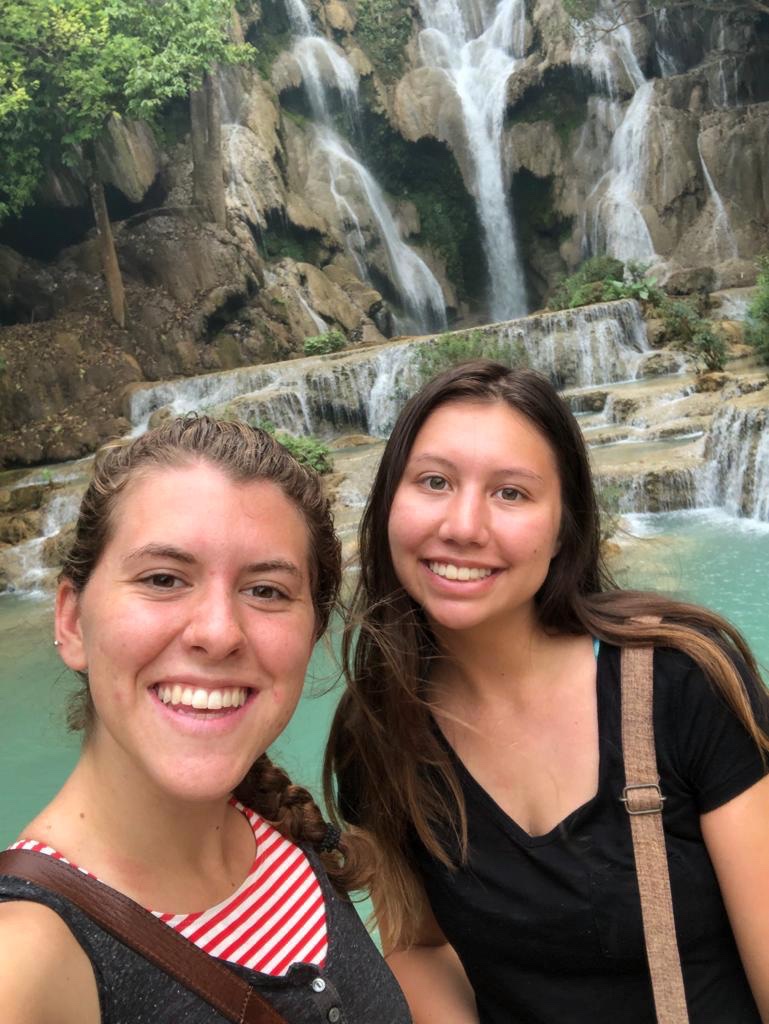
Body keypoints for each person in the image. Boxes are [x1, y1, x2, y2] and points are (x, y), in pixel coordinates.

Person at [325, 360, 769, 1024]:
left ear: (564, 526)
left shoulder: (681, 679)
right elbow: (419, 945)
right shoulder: (381, 730)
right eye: (434, 482)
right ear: (389, 500)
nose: (462, 525)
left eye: (510, 493)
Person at [0, 416, 411, 1024]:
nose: (218, 633)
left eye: (267, 590)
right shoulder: (27, 957)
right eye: (163, 579)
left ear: (313, 632)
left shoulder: (287, 837)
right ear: (70, 621)